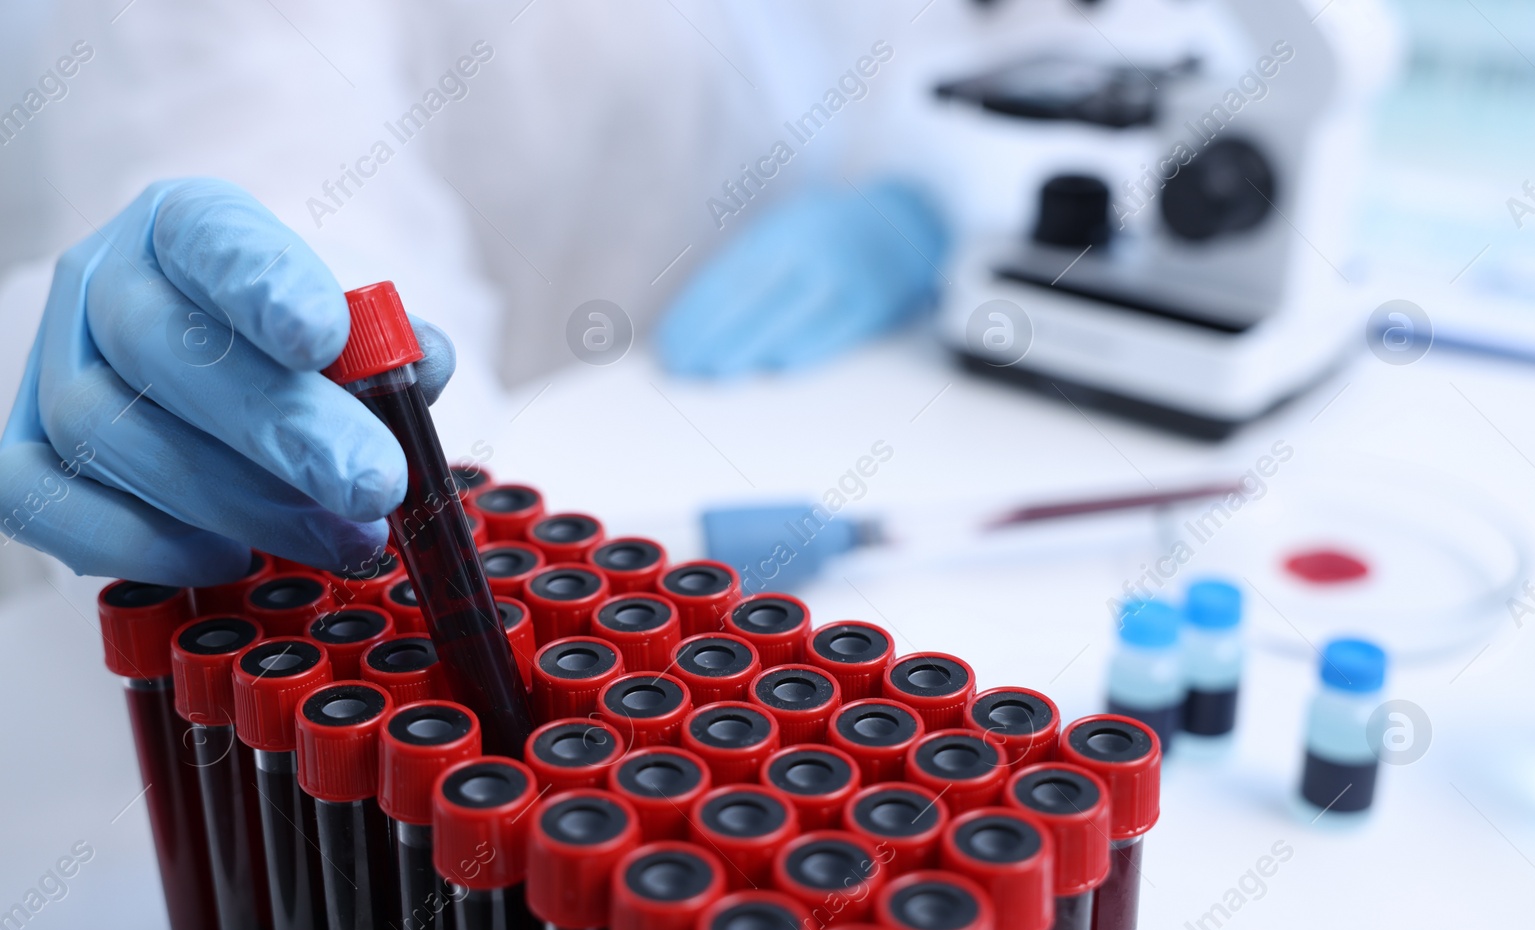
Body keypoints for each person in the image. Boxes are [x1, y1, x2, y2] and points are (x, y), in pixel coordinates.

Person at [0, 0, 1382, 586]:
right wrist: (227, 358)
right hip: (527, 499)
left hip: (860, 401)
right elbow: (272, 163)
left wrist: (926, 198)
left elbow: (1068, 46)